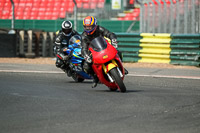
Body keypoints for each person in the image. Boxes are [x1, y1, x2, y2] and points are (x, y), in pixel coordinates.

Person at [81, 16, 128, 88]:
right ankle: (95, 78)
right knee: (86, 66)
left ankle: (121, 66)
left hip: (103, 46)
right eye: (86, 27)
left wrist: (113, 39)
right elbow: (83, 48)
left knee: (117, 52)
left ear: (94, 25)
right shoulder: (84, 36)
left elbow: (109, 34)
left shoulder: (99, 29)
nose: (88, 29)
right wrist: (86, 55)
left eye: (90, 27)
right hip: (93, 52)